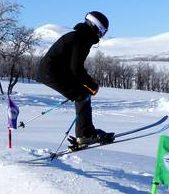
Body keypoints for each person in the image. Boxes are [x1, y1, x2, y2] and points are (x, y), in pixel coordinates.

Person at [35, 11, 114, 147]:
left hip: (53, 71)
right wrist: (91, 84)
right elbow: (76, 68)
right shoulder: (82, 39)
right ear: (95, 27)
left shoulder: (79, 36)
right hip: (52, 73)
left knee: (82, 93)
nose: (101, 36)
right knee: (83, 95)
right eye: (102, 32)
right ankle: (85, 135)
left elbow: (72, 66)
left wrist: (85, 84)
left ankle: (84, 133)